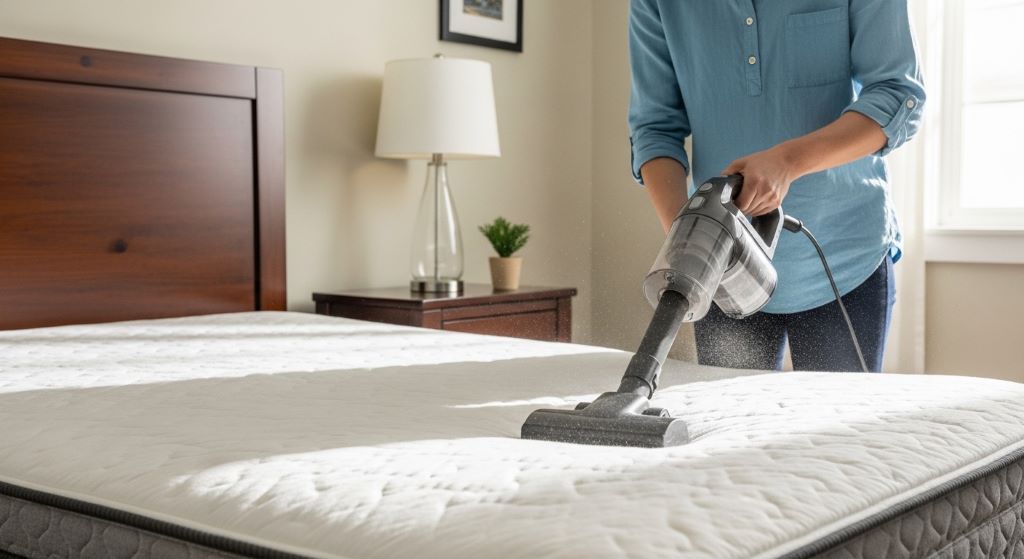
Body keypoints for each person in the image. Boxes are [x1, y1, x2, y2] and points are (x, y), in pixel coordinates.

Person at [628, 0, 925, 372]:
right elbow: (654, 128)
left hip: (844, 260)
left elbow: (897, 95)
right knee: (735, 428)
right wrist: (686, 241)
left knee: (837, 429)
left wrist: (787, 162)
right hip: (723, 270)